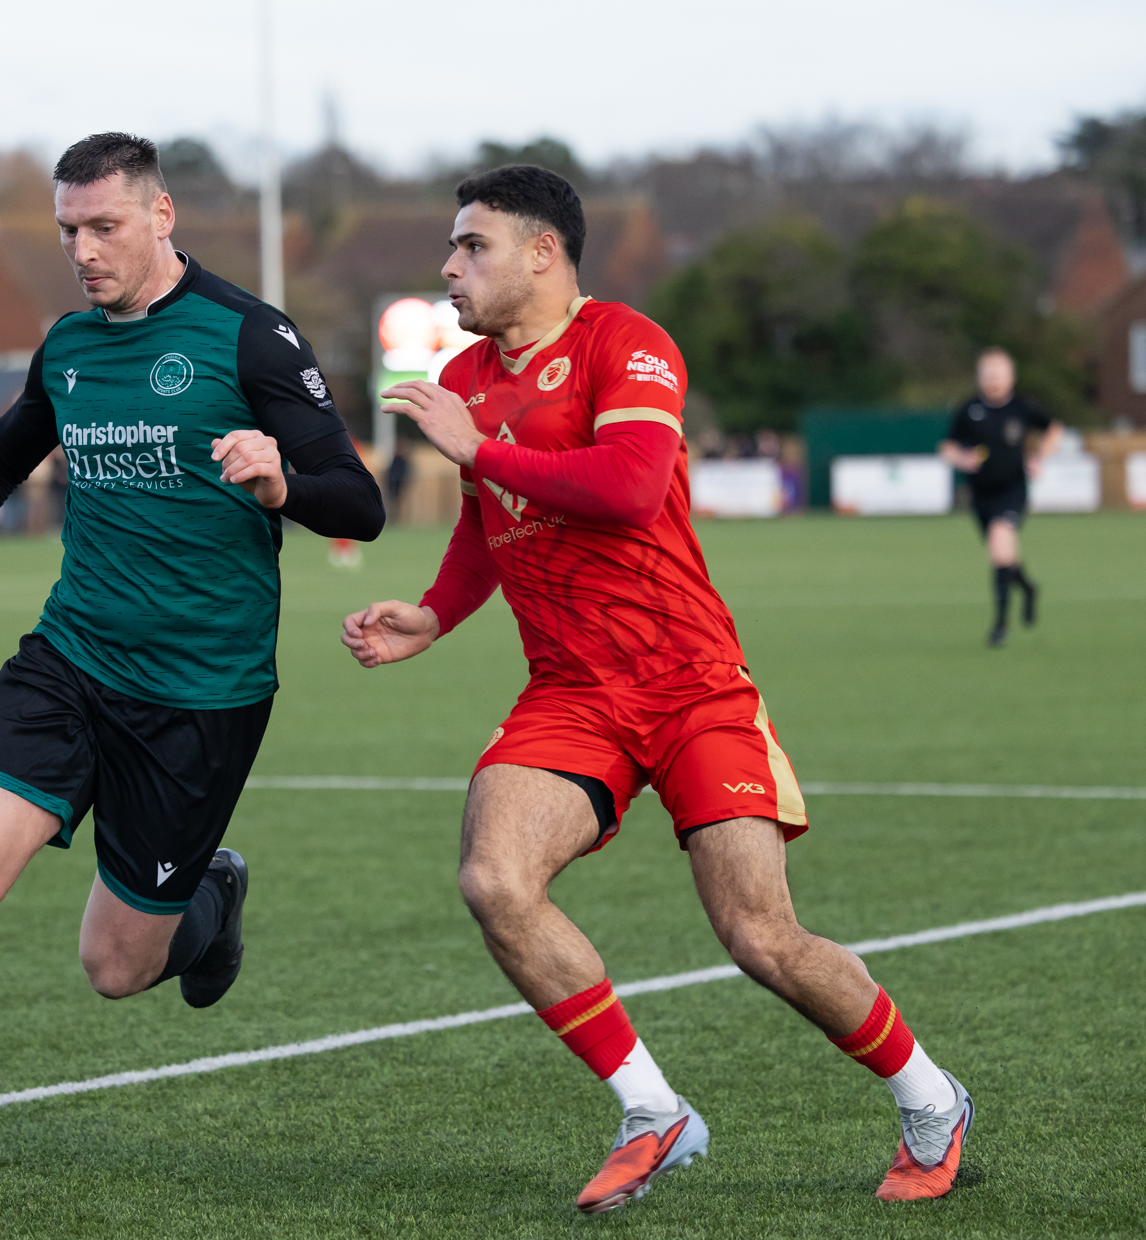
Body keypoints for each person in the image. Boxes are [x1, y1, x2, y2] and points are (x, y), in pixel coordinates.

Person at [0, 132, 385, 1207]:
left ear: (162, 216)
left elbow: (359, 504)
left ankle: (212, 896)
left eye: (104, 227)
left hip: (199, 694)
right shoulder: (70, 345)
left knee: (116, 967)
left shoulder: (249, 337)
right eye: (67, 230)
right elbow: (2, 454)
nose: (83, 250)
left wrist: (283, 484)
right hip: (71, 658)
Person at [341, 166, 971, 1214]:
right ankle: (652, 1109)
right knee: (496, 880)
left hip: (689, 684)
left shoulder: (626, 342)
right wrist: (435, 614)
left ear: (543, 252)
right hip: (570, 692)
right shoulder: (465, 377)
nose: (449, 267)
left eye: (472, 245)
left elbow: (632, 485)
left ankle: (931, 1096)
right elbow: (483, 523)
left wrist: (480, 448)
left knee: (761, 937)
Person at [938, 349, 1062, 647]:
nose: (994, 379)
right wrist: (962, 459)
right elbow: (947, 447)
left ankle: (1000, 626)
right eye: (988, 373)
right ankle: (1028, 588)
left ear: (1011, 377)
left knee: (999, 545)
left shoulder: (1021, 408)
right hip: (981, 495)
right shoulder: (970, 410)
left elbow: (1054, 429)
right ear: (980, 377)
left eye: (999, 373)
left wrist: (1039, 457)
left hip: (1012, 491)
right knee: (1004, 557)